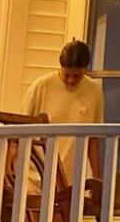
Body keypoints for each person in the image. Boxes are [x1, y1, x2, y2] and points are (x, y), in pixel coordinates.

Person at [23, 38, 105, 190]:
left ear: (85, 69)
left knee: (67, 212)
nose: (71, 80)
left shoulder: (94, 91)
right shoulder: (41, 86)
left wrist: (96, 176)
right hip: (37, 172)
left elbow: (93, 139)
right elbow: (20, 127)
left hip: (72, 173)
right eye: (67, 74)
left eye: (77, 76)